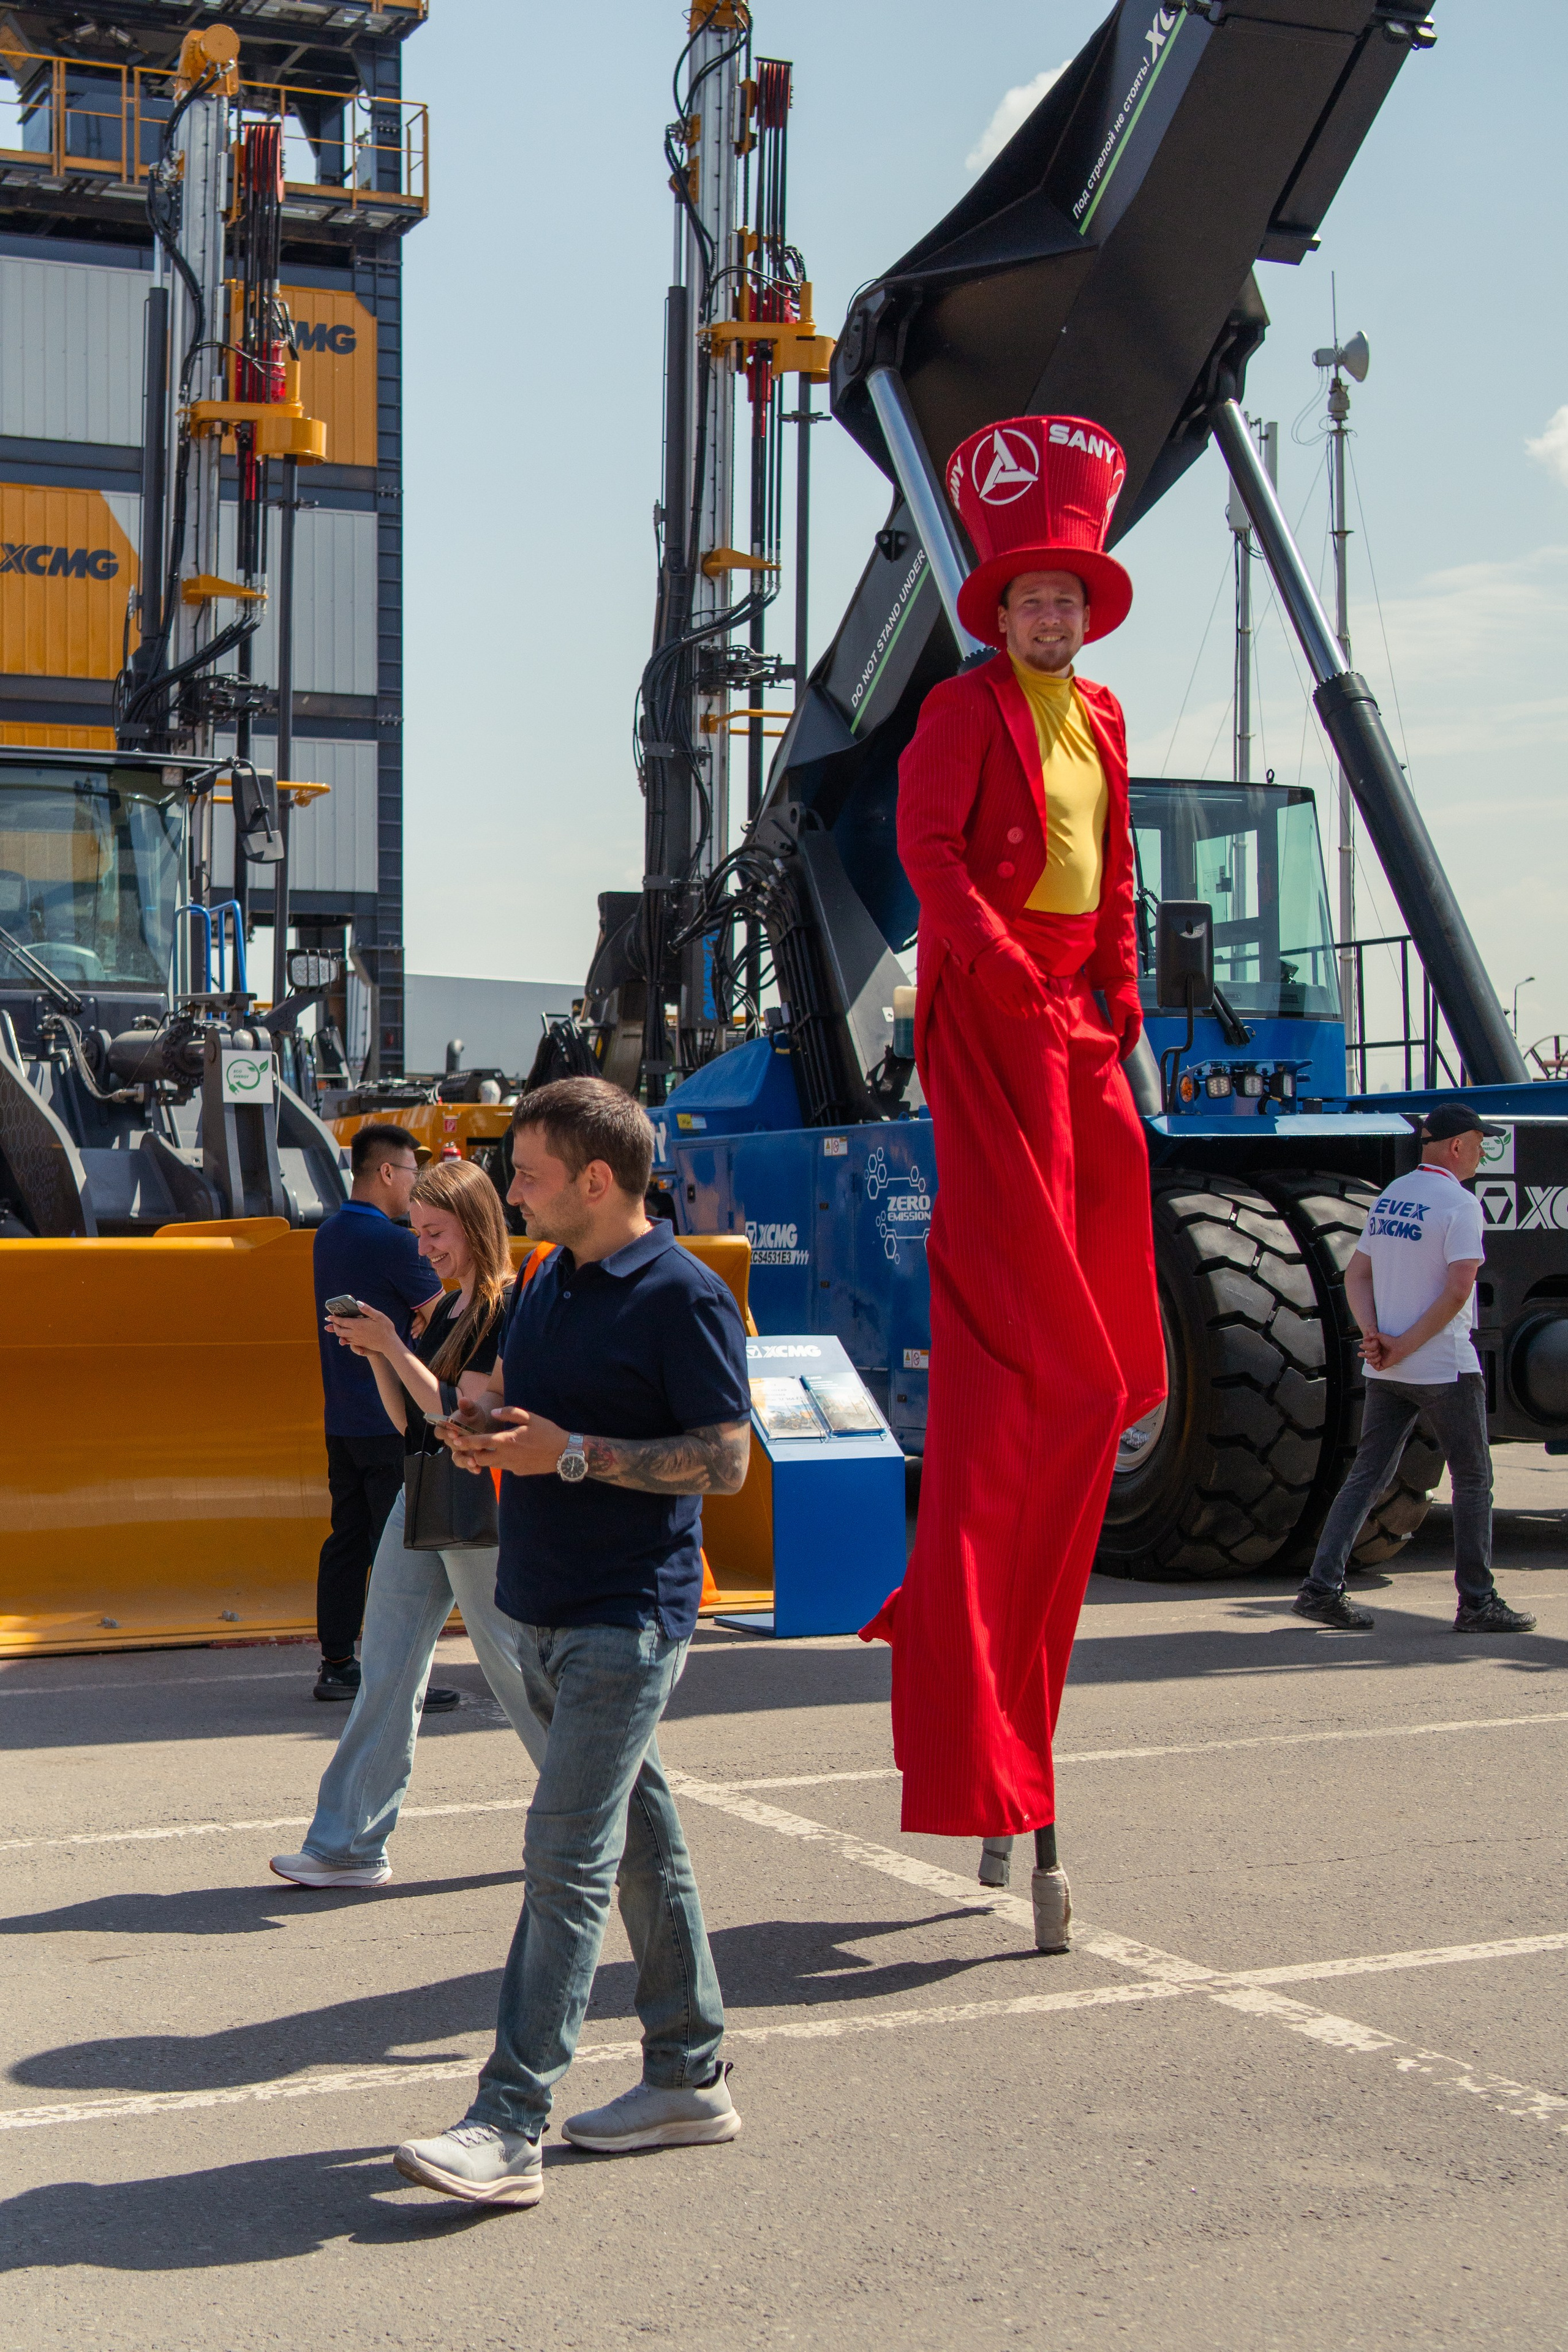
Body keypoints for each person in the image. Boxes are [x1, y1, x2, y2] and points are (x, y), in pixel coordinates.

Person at [860, 416, 1166, 1954]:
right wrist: (999, 980)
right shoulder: (957, 710)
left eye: (1067, 598)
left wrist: (1119, 1002)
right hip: (992, 1010)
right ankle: (1055, 1382)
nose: (1049, 616)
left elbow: (1114, 874)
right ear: (998, 610)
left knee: (1111, 1303)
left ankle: (1097, 1378)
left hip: (1075, 1011)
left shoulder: (1098, 715)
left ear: (1086, 613)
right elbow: (931, 857)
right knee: (1035, 1321)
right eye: (1030, 598)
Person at [393, 1077, 752, 2209]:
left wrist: (576, 1455)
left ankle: (509, 2122)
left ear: (598, 1181)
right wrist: (482, 1429)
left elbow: (726, 1460)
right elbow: (520, 1404)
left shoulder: (683, 1296)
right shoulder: (549, 1279)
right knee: (641, 1846)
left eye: (531, 1176)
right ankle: (688, 2077)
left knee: (565, 1861)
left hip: (625, 1619)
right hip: (538, 1609)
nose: (513, 1193)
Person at [272, 1158, 554, 1890]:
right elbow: (410, 1423)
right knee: (388, 1670)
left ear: (475, 1225)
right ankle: (348, 1846)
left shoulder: (499, 1306)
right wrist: (377, 1353)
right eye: (418, 1233)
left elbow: (463, 1416)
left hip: (473, 1496)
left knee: (518, 1672)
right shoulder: (448, 1310)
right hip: (424, 1487)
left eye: (436, 1233)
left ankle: (598, 1815)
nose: (424, 1248)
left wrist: (393, 1346)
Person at [1294, 1102, 1536, 1635]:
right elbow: (1459, 1288)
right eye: (1480, 1143)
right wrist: (1403, 1345)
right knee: (1473, 1481)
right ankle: (1477, 1602)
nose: (1482, 1153)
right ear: (1457, 1145)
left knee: (1366, 1477)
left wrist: (1374, 1337)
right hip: (1444, 1367)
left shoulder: (1393, 1196)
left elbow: (1357, 1275)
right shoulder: (1460, 1204)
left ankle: (1320, 1589)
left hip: (1387, 1369)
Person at [312, 1123, 445, 1703]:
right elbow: (446, 1318)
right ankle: (400, 1676)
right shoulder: (395, 1243)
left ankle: (338, 1662)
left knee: (347, 1539)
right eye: (415, 1172)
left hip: (342, 1419)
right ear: (387, 1173)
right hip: (394, 1419)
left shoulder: (328, 1235)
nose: (419, 1184)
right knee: (402, 1554)